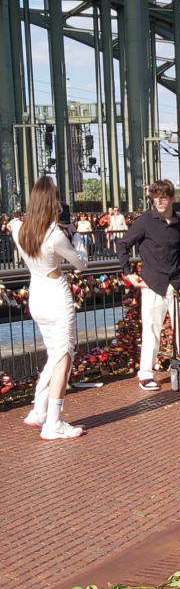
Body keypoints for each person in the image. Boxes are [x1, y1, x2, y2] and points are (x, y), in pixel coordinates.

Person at [12, 176, 87, 439]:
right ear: (51, 202)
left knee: (54, 353)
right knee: (64, 355)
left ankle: (39, 410)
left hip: (36, 295)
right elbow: (81, 264)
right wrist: (78, 240)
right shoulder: (55, 236)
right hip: (56, 296)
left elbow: (15, 223)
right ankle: (53, 422)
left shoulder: (18, 229)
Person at [116, 178, 180, 392]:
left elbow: (179, 253)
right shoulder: (145, 221)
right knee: (151, 330)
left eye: (163, 197)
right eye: (155, 198)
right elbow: (122, 244)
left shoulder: (179, 224)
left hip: (177, 284)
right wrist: (128, 273)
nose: (158, 201)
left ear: (172, 199)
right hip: (152, 284)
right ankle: (146, 374)